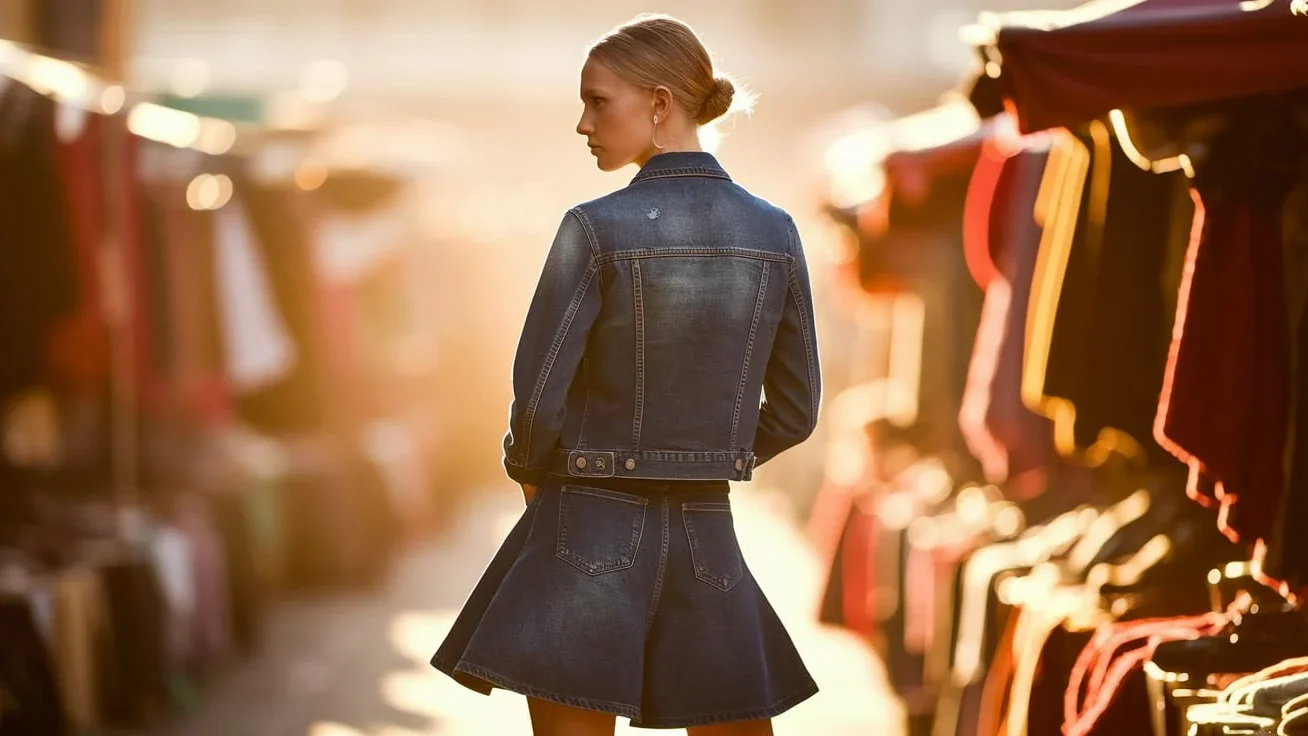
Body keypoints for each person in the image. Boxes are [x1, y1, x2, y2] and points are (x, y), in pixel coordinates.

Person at [431, 14, 823, 736]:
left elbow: (539, 398)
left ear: (660, 103)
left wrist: (532, 469)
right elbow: (797, 412)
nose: (582, 123)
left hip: (585, 519)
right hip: (710, 533)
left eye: (596, 101)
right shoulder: (777, 232)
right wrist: (712, 452)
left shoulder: (594, 227)